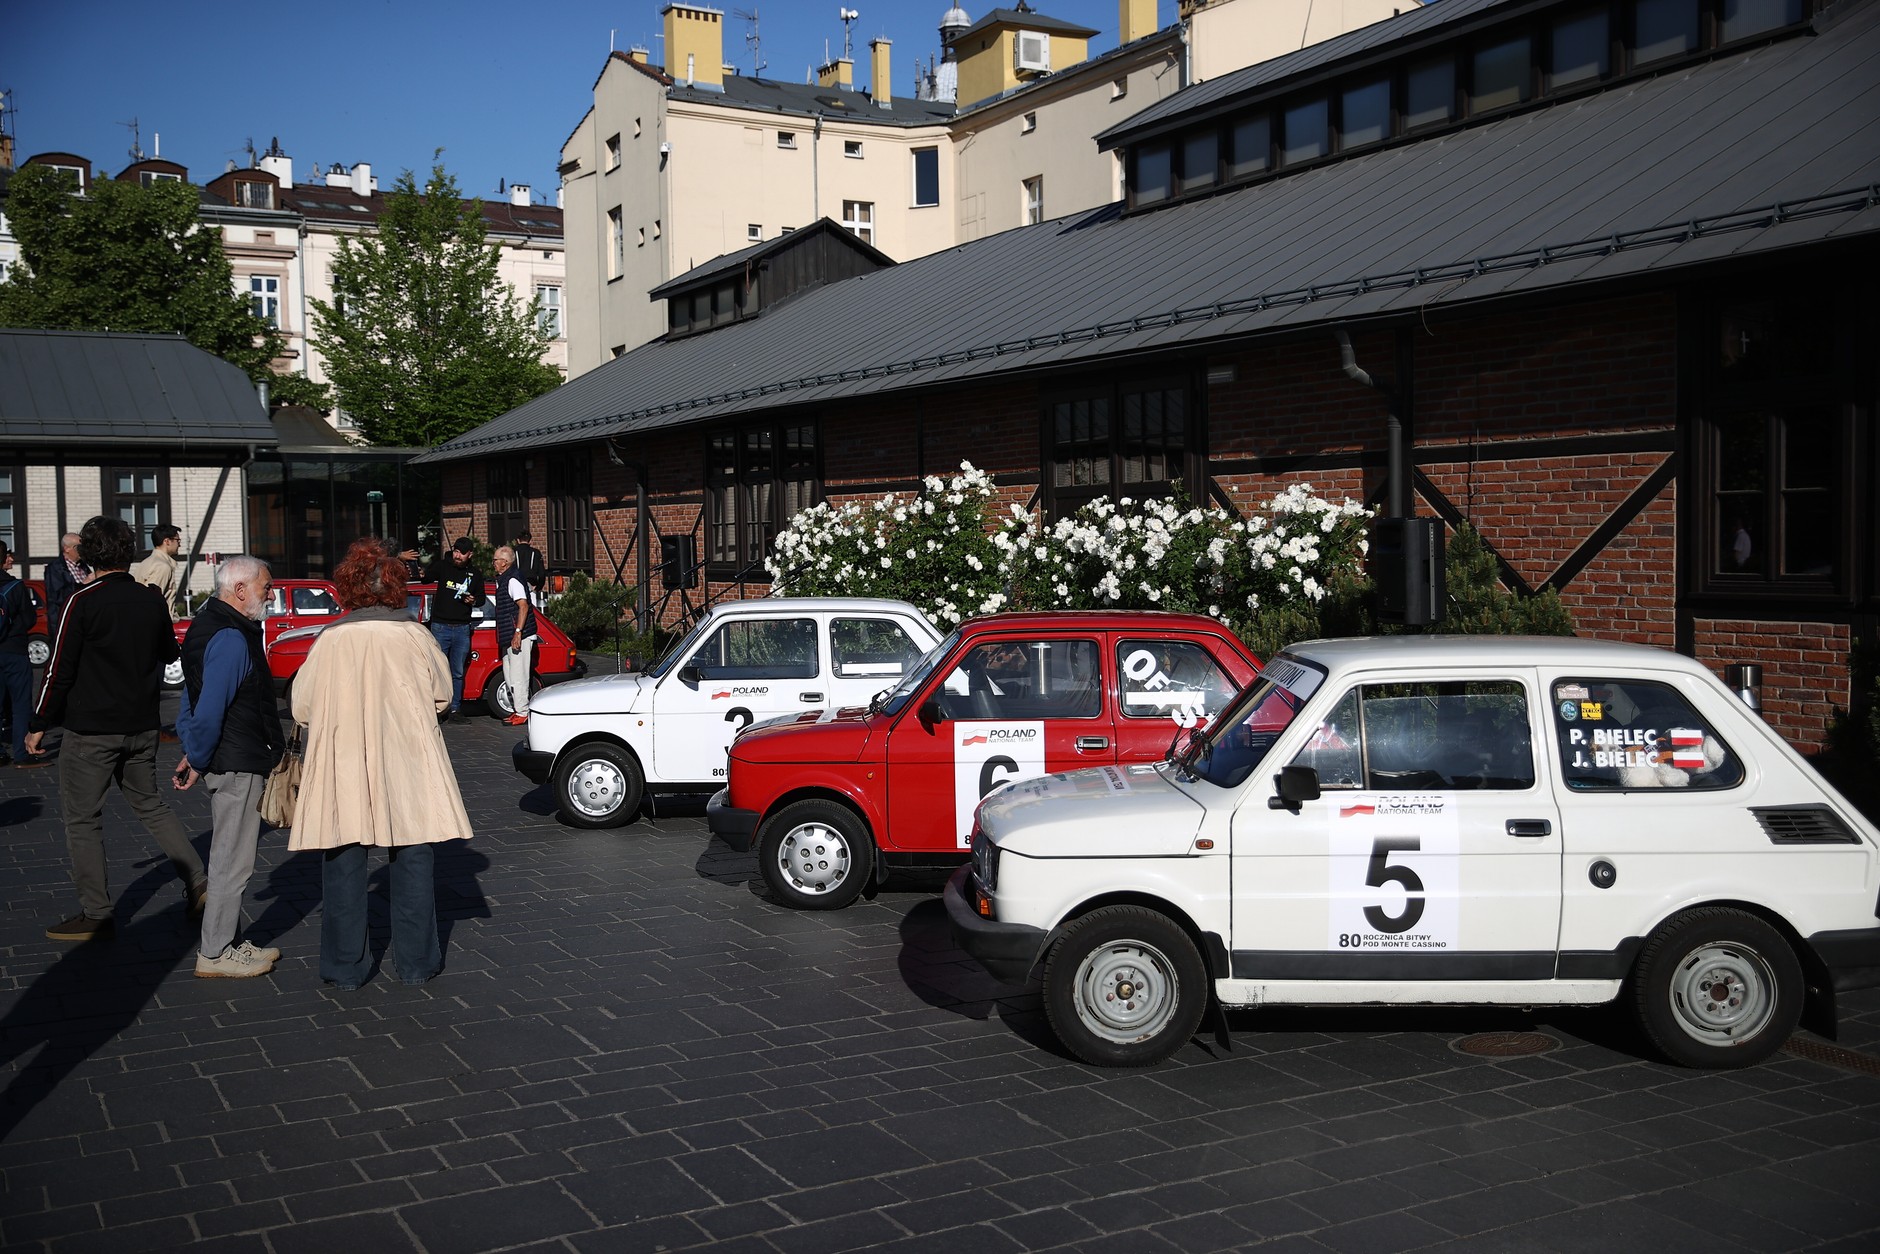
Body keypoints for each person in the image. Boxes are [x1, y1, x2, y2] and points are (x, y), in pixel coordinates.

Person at [291, 539, 473, 988]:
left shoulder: (330, 639)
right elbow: (443, 696)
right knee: (413, 857)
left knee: (343, 862)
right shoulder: (415, 635)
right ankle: (416, 964)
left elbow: (302, 707)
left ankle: (345, 967)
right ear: (396, 588)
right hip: (407, 758)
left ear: (348, 588)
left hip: (344, 761)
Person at [26, 515, 207, 942]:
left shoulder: (82, 600)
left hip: (92, 729)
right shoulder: (148, 600)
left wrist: (37, 723)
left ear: (89, 554)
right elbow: (168, 653)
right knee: (152, 805)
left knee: (83, 819)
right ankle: (199, 881)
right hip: (141, 724)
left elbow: (58, 669)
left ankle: (97, 912)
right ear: (128, 553)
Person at [174, 555, 285, 979]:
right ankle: (216, 952)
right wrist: (198, 757)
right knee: (231, 862)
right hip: (237, 761)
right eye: (266, 586)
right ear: (239, 590)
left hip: (228, 756)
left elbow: (192, 700)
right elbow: (209, 709)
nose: (270, 594)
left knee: (230, 857)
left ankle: (226, 943)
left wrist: (194, 752)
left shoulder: (209, 627)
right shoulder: (232, 637)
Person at [425, 537, 484, 719]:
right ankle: (436, 707)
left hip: (461, 628)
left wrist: (473, 600)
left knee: (457, 671)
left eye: (462, 553)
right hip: (440, 626)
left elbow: (481, 599)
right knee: (437, 669)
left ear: (470, 554)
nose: (458, 556)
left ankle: (455, 708)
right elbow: (425, 578)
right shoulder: (443, 566)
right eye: (456, 551)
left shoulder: (475, 574)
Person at [0, 545, 40, 767]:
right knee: (20, 703)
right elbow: (29, 618)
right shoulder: (14, 586)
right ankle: (21, 753)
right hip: (14, 650)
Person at [491, 546, 535, 726]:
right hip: (508, 634)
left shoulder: (513, 580)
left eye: (495, 560)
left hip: (518, 635)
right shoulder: (503, 579)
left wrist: (518, 632)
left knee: (519, 674)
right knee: (509, 674)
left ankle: (523, 711)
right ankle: (518, 709)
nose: (493, 563)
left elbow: (523, 606)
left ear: (505, 562)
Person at [129, 523, 184, 620]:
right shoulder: (162, 566)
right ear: (167, 541)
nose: (179, 544)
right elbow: (152, 601)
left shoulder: (146, 562)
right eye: (177, 540)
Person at [43, 532, 90, 639]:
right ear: (67, 548)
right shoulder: (55, 568)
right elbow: (58, 596)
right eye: (78, 547)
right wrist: (83, 584)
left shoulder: (83, 566)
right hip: (65, 625)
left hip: (83, 622)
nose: (82, 550)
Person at [511, 530, 547, 609]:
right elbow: (542, 574)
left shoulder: (512, 552)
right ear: (530, 541)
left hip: (515, 589)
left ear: (518, 540)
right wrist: (538, 587)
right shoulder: (536, 553)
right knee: (533, 613)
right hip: (531, 587)